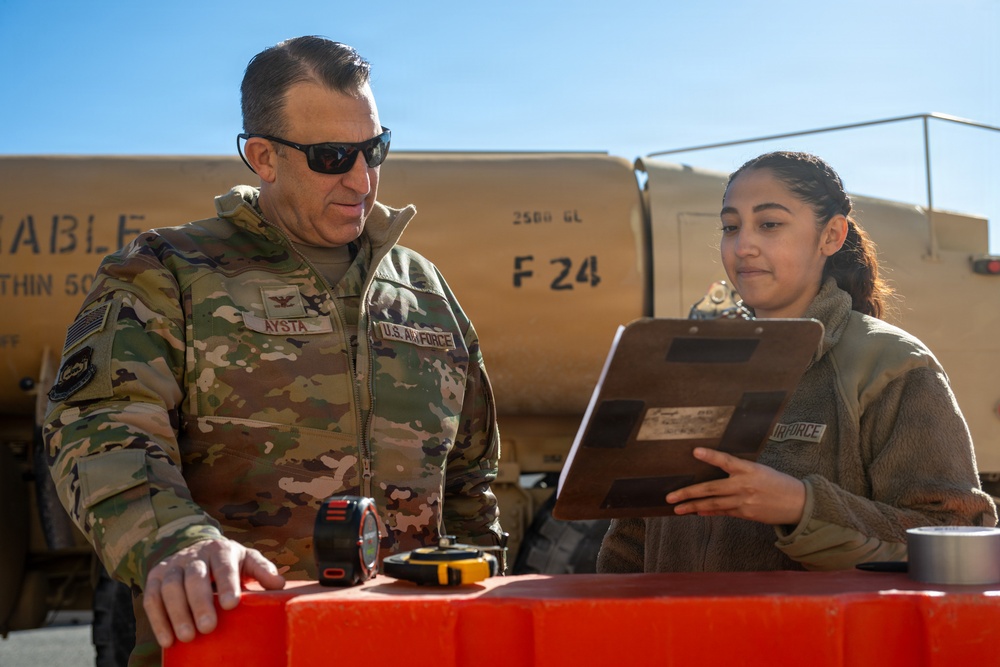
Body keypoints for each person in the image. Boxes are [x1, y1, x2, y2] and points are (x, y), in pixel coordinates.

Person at [43, 36, 504, 665]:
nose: (362, 178)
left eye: (375, 149)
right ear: (263, 157)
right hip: (238, 642)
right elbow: (99, 427)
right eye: (333, 155)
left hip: (413, 646)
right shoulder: (168, 272)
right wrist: (175, 541)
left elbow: (472, 481)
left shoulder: (423, 290)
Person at [597, 150, 997, 574]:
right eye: (731, 227)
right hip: (673, 637)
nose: (743, 245)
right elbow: (631, 540)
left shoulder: (893, 365)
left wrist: (801, 505)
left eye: (769, 224)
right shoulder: (689, 367)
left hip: (822, 639)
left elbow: (957, 535)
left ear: (831, 236)